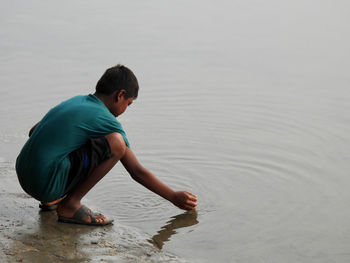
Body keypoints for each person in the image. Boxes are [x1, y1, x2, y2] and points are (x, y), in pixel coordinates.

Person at [15, 65, 197, 226]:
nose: (125, 109)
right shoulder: (105, 119)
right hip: (44, 184)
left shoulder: (75, 101)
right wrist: (173, 196)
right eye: (128, 103)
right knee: (117, 144)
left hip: (24, 176)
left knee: (77, 141)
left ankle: (52, 200)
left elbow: (33, 131)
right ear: (120, 95)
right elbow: (136, 171)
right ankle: (71, 205)